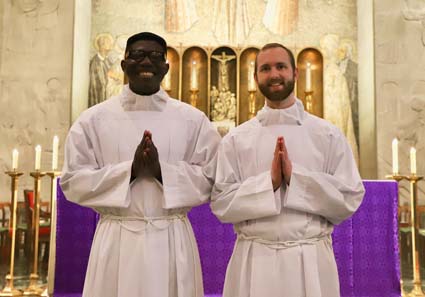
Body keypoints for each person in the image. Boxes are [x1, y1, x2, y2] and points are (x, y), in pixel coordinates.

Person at [60, 32, 221, 297]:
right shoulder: (93, 120)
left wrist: (161, 172)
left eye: (155, 56)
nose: (146, 62)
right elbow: (72, 181)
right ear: (123, 65)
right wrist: (130, 171)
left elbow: (213, 178)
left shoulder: (193, 120)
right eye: (137, 55)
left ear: (166, 67)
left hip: (172, 237)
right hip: (116, 238)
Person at [210, 43, 365, 297]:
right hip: (254, 260)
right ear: (255, 77)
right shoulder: (236, 140)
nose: (274, 74)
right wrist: (268, 183)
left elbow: (350, 197)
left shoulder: (327, 135)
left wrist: (296, 180)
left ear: (296, 73)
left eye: (281, 66)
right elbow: (221, 203)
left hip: (310, 260)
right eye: (266, 68)